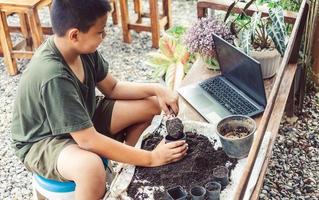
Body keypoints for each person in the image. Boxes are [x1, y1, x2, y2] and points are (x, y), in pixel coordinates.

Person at [10, 0, 188, 199]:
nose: (104, 36)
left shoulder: (83, 51)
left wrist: (157, 90)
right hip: (44, 139)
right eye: (100, 32)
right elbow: (88, 140)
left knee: (150, 105)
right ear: (75, 35)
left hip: (80, 119)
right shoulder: (53, 75)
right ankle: (132, 163)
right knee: (91, 168)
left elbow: (113, 88)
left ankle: (124, 169)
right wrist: (152, 158)